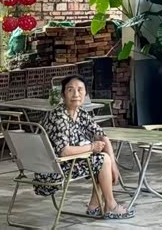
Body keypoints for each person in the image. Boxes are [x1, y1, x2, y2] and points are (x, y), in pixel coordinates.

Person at [34, 75, 134, 220]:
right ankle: (110, 205)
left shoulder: (80, 114)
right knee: (102, 161)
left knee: (104, 160)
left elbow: (101, 135)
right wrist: (92, 147)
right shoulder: (59, 116)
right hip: (51, 171)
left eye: (80, 90)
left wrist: (113, 163)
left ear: (85, 94)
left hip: (64, 165)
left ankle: (94, 205)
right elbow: (65, 151)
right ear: (63, 94)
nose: (76, 94)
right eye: (70, 90)